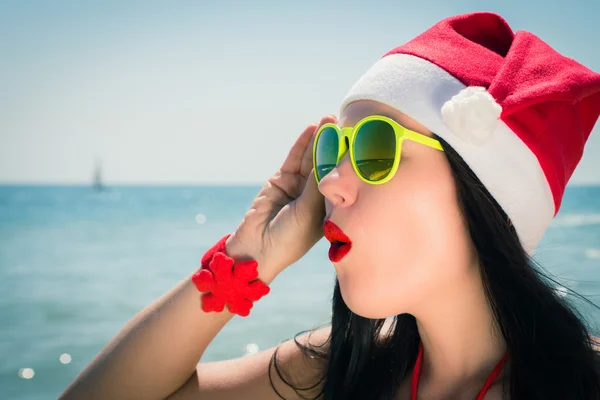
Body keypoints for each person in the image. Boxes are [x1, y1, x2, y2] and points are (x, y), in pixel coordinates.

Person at [60, 12, 600, 400]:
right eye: (333, 149)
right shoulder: (341, 371)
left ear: (486, 191)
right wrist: (246, 261)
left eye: (373, 147)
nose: (332, 183)